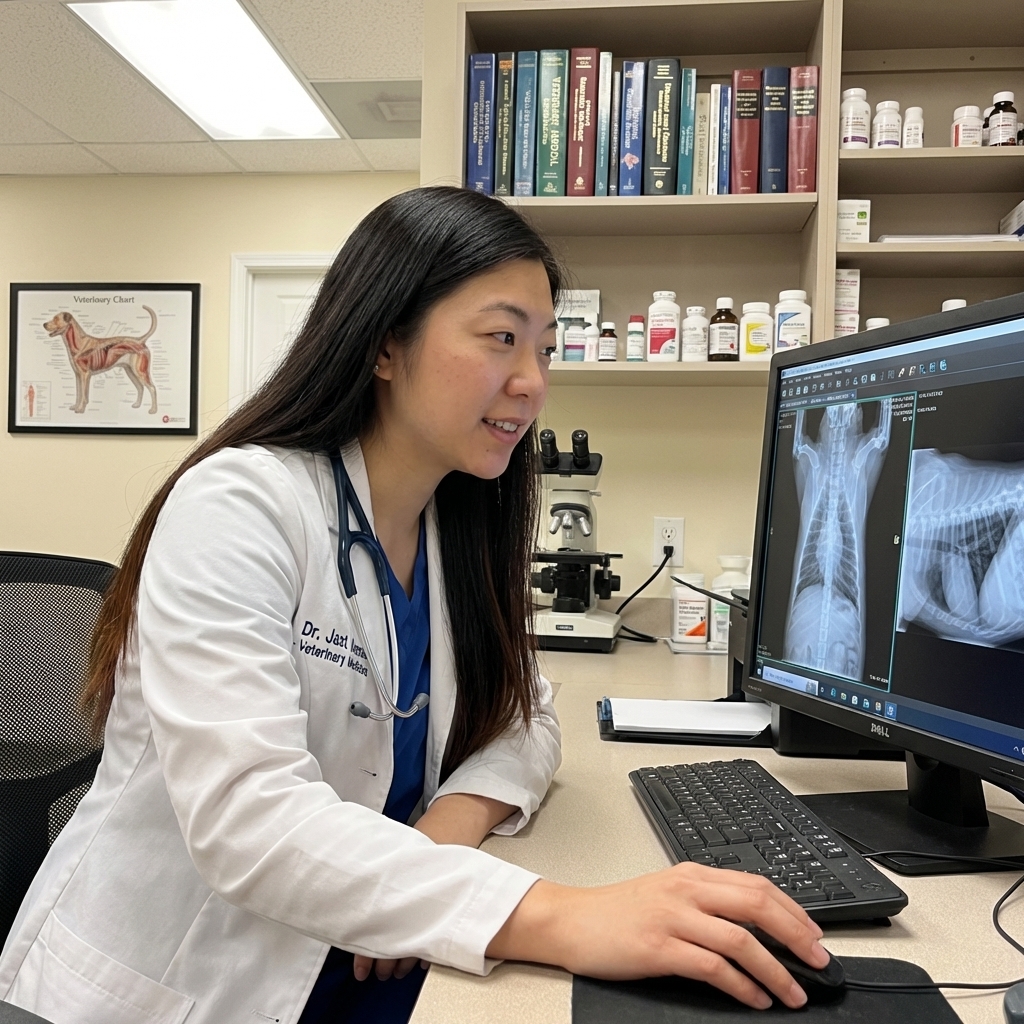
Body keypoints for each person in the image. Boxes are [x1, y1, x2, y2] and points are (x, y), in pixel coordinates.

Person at [0, 187, 828, 1024]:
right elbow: (248, 822)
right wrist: (562, 914)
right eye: (503, 338)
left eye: (546, 347)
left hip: (382, 953)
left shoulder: (454, 530)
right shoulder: (239, 504)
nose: (534, 382)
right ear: (387, 343)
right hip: (183, 985)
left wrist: (444, 831)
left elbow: (528, 717)